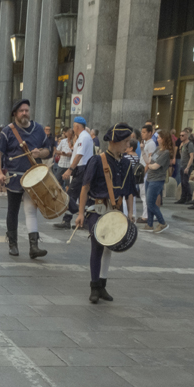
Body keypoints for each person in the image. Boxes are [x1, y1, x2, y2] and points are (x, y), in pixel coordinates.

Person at [75, 123, 138, 303]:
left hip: (116, 211)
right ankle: (94, 287)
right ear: (114, 141)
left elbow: (129, 192)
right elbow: (85, 188)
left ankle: (102, 285)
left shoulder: (126, 163)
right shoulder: (97, 160)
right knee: (97, 244)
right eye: (125, 141)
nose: (128, 145)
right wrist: (80, 214)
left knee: (110, 246)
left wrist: (131, 212)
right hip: (98, 209)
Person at [0, 99, 53, 259]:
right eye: (21, 111)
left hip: (34, 177)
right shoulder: (7, 131)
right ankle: (13, 244)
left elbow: (48, 150)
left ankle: (34, 246)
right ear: (15, 113)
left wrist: (40, 154)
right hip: (15, 178)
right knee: (13, 210)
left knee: (31, 210)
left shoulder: (38, 129)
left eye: (27, 110)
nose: (25, 113)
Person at [54, 116, 93, 229]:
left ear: (77, 126)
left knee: (71, 195)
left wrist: (70, 169)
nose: (73, 129)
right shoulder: (83, 137)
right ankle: (72, 219)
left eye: (73, 127)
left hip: (82, 168)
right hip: (81, 168)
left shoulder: (84, 138)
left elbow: (79, 155)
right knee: (79, 194)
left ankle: (75, 217)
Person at [142, 125, 171, 232]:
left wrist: (148, 166)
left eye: (159, 137)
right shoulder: (158, 149)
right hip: (150, 178)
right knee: (149, 202)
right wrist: (143, 151)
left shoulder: (166, 152)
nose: (157, 139)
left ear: (164, 139)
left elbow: (155, 166)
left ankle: (162, 222)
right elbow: (149, 161)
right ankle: (149, 225)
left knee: (150, 202)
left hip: (157, 180)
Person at [174, 127, 194, 204]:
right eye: (180, 135)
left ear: (187, 136)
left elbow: (191, 156)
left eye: (183, 135)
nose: (181, 137)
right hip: (182, 165)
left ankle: (189, 197)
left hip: (186, 166)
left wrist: (188, 167)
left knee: (185, 182)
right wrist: (180, 148)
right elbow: (182, 155)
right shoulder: (183, 144)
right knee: (183, 182)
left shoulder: (189, 144)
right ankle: (183, 197)